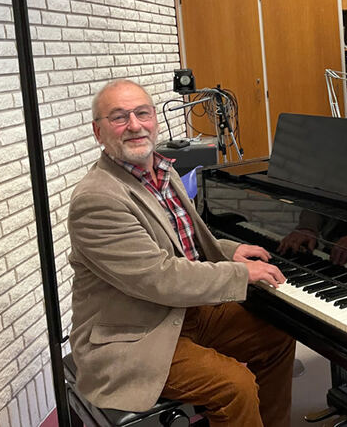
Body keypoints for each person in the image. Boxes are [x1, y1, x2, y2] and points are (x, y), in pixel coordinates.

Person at [67, 79, 295, 426]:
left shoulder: (161, 171)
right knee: (235, 386)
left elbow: (184, 243)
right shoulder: (97, 199)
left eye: (142, 113)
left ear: (155, 120)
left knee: (278, 335)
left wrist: (230, 251)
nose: (134, 125)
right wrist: (240, 274)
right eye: (119, 117)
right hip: (134, 333)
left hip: (182, 312)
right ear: (98, 132)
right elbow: (160, 277)